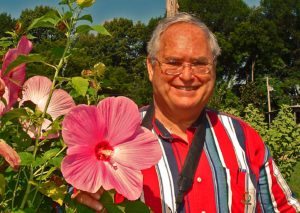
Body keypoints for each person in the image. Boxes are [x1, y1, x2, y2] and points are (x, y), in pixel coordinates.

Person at [73, 12, 300, 212]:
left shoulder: (243, 138)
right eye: (173, 62)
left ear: (214, 69)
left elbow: (283, 209)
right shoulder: (120, 139)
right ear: (151, 68)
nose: (188, 75)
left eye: (200, 63)